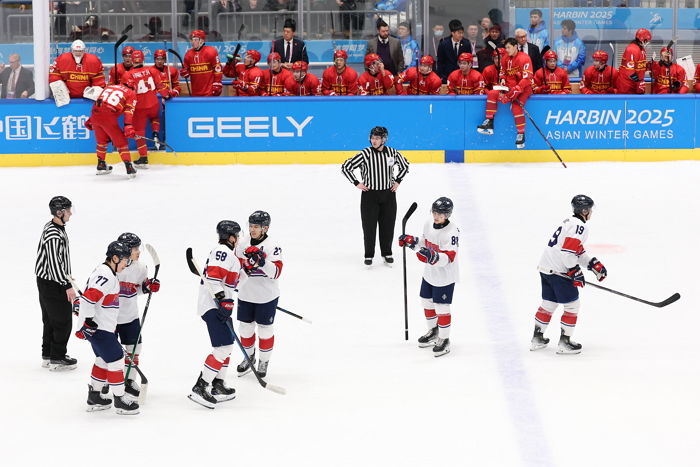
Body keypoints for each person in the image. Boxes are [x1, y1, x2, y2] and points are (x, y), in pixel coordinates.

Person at [532, 195, 607, 355]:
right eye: (590, 210)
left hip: (546, 268)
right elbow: (567, 254)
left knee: (549, 304)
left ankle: (537, 339)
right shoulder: (580, 226)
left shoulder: (568, 222)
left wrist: (591, 264)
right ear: (584, 211)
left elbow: (574, 250)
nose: (591, 212)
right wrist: (574, 271)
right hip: (559, 271)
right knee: (572, 305)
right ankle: (565, 342)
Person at [75, 241, 139, 414]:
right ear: (115, 258)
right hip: (100, 329)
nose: (127, 264)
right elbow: (89, 298)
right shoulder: (107, 275)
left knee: (102, 360)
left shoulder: (107, 272)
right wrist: (87, 321)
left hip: (102, 328)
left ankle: (94, 396)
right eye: (125, 260)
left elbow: (86, 300)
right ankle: (120, 399)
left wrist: (81, 311)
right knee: (116, 360)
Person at [188, 221, 241, 409]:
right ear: (232, 237)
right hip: (214, 306)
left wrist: (248, 269)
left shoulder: (229, 255)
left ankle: (218, 384)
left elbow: (234, 281)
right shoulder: (223, 252)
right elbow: (213, 277)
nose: (239, 239)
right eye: (237, 236)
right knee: (222, 348)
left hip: (220, 306)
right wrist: (222, 299)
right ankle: (201, 386)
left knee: (227, 345)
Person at [398, 197, 459, 357]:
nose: (436, 215)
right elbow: (425, 243)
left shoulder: (452, 232)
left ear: (448, 215)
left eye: (440, 213)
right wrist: (412, 241)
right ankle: (433, 331)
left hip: (445, 277)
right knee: (426, 301)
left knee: (441, 307)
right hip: (429, 274)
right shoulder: (428, 224)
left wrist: (431, 256)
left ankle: (444, 339)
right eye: (434, 212)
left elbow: (449, 257)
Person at [341, 126, 410, 267]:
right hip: (369, 196)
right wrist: (356, 183)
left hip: (388, 195)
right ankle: (369, 255)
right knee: (369, 227)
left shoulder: (392, 153)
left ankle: (387, 253)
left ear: (384, 139)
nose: (374, 140)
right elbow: (346, 167)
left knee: (388, 226)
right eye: (372, 137)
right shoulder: (365, 154)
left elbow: (405, 165)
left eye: (377, 138)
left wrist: (398, 181)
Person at [235, 211, 284, 378]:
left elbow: (276, 272)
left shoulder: (273, 246)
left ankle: (264, 361)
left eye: (256, 226)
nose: (252, 229)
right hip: (245, 295)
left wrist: (262, 262)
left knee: (265, 330)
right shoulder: (242, 243)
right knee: (245, 329)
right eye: (250, 226)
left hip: (266, 297)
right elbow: (236, 264)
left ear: (265, 228)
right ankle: (249, 357)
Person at [115, 233, 160, 401]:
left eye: (138, 248)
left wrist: (148, 287)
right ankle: (106, 381)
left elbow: (137, 289)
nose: (138, 251)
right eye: (135, 249)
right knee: (109, 354)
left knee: (134, 350)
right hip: (111, 318)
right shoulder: (112, 266)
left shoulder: (141, 267)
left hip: (130, 316)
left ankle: (129, 380)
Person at [35, 196, 78, 371]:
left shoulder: (55, 226)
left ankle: (48, 354)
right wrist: (66, 285)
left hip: (48, 281)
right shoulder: (54, 234)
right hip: (53, 283)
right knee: (63, 320)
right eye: (68, 210)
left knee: (51, 319)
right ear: (60, 212)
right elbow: (53, 265)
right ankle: (57, 358)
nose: (71, 213)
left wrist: (66, 276)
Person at [477, 38, 533, 149]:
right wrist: (502, 80)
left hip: (524, 89)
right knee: (492, 93)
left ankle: (521, 134)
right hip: (508, 88)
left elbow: (527, 78)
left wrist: (516, 90)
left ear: (515, 46)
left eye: (508, 47)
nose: (506, 50)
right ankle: (489, 122)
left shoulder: (525, 58)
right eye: (506, 48)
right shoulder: (505, 58)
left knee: (516, 108)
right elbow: (502, 72)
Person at [84, 77, 138, 178]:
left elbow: (98, 103)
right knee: (121, 143)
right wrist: (128, 126)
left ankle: (101, 164)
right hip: (109, 116)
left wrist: (91, 119)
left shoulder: (109, 87)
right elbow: (128, 111)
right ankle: (129, 167)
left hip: (96, 114)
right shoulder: (131, 93)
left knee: (101, 141)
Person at [124, 51, 169, 168]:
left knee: (139, 132)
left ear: (132, 60)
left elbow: (126, 93)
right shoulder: (153, 70)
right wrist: (167, 95)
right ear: (143, 59)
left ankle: (143, 157)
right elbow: (161, 87)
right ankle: (155, 132)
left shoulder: (127, 74)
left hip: (139, 108)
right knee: (155, 117)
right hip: (154, 103)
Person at [181, 29, 223, 96]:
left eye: (195, 40)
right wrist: (184, 73)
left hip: (209, 92)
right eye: (192, 40)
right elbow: (186, 71)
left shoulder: (211, 51)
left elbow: (218, 69)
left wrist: (217, 83)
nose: (193, 42)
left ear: (202, 41)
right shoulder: (188, 54)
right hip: (195, 92)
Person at [616, 28, 651, 95]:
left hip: (635, 84)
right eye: (647, 40)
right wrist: (638, 82)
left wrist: (648, 65)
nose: (648, 42)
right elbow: (630, 72)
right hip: (627, 86)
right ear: (642, 39)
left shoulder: (642, 49)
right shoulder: (632, 49)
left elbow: (639, 67)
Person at [436, 19, 471, 84]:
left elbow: (469, 60)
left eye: (462, 33)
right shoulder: (444, 43)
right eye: (459, 33)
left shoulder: (466, 43)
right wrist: (441, 76)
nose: (461, 35)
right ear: (453, 33)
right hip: (447, 75)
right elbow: (440, 61)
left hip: (462, 75)